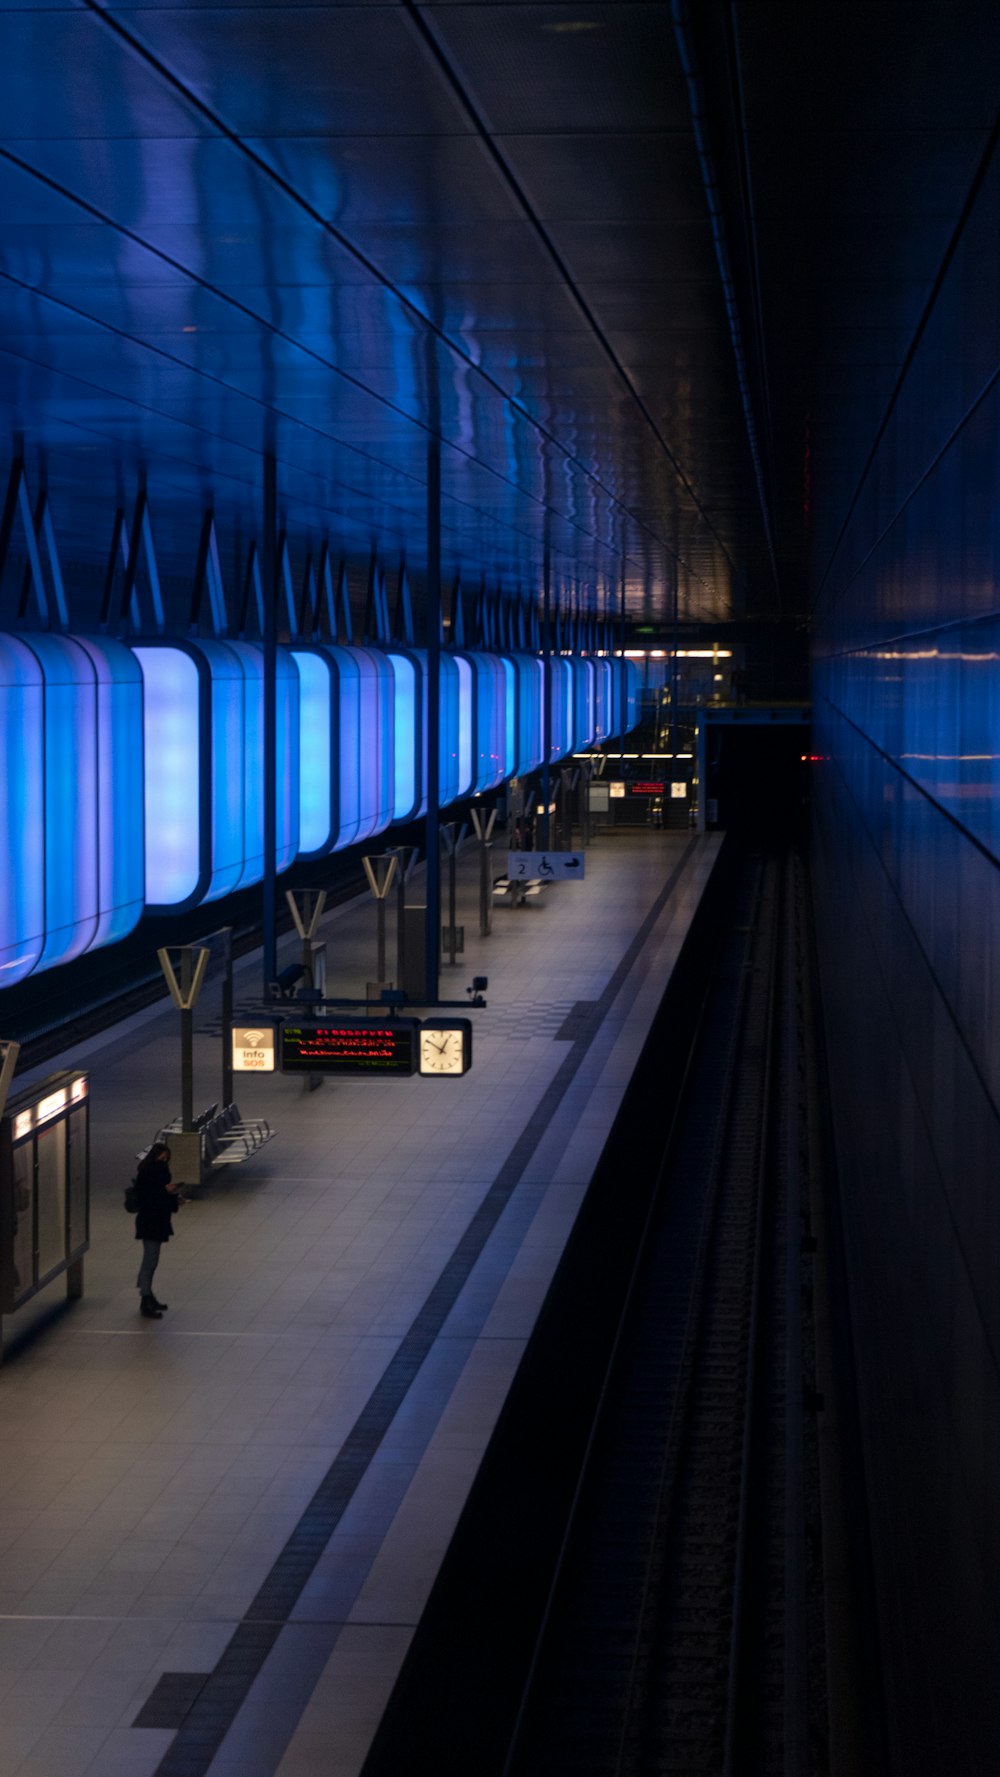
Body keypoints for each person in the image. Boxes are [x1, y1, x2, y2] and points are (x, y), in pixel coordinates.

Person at [133, 1142, 182, 1319]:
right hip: (152, 1222)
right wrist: (167, 1192)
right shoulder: (150, 1174)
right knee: (150, 1260)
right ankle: (145, 1296)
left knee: (151, 1259)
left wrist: (171, 1195)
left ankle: (147, 1294)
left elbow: (154, 1193)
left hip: (153, 1221)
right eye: (162, 1157)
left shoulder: (150, 1172)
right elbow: (153, 1196)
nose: (164, 1160)